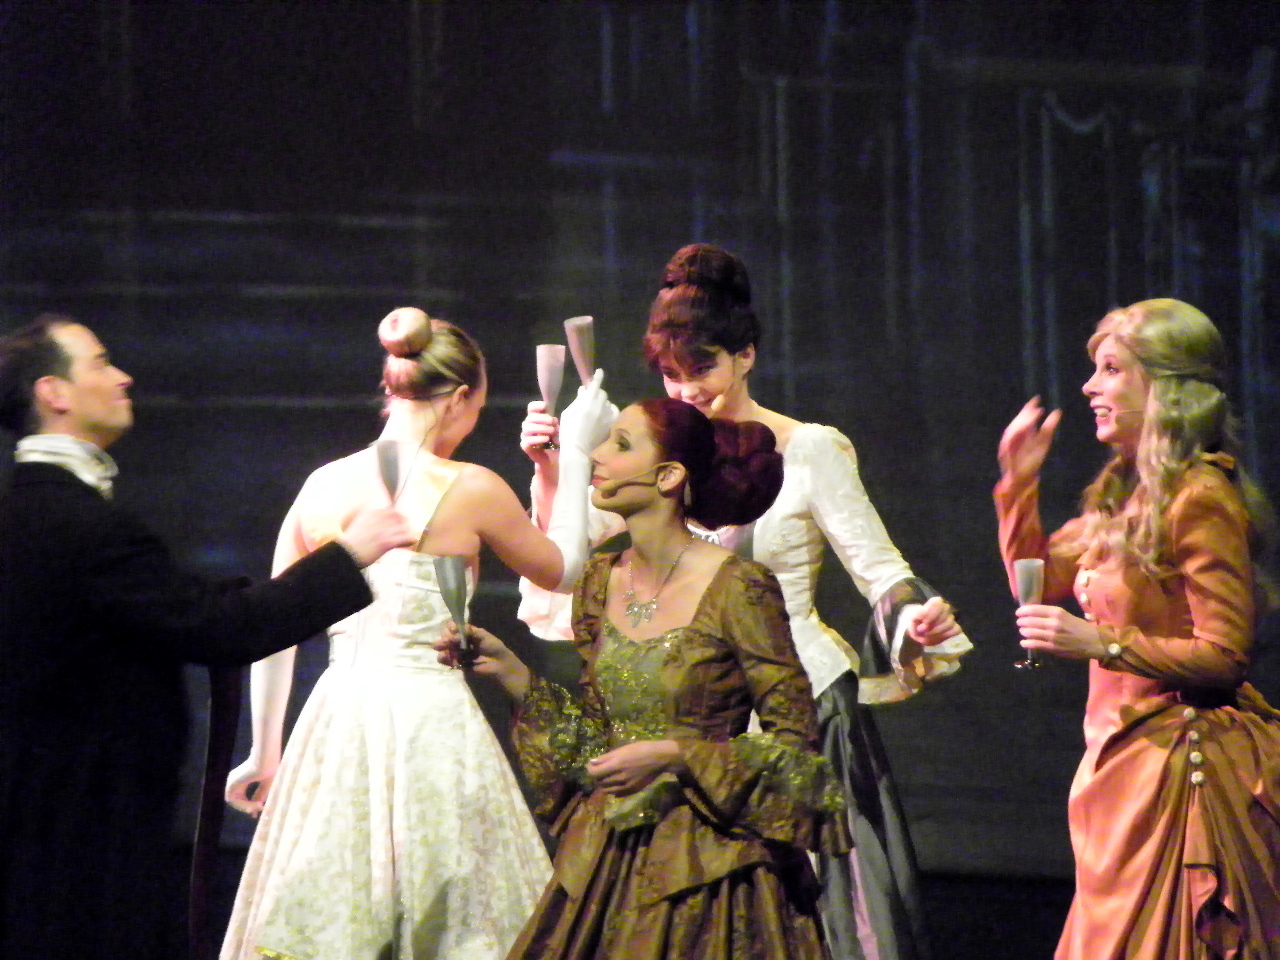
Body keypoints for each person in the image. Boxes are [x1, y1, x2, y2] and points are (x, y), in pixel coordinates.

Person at [518, 244, 969, 960]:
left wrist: (911, 618)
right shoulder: (661, 454)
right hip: (690, 712)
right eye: (671, 375)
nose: (686, 390)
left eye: (702, 369)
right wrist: (553, 470)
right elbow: (568, 563)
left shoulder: (809, 448)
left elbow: (879, 567)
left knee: (803, 911)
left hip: (792, 707)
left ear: (746, 355)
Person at [0, 314, 413, 960]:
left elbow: (183, 608)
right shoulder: (81, 525)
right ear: (54, 393)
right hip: (80, 822)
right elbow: (220, 628)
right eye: (101, 363)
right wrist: (351, 554)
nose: (123, 377)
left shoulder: (36, 514)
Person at [219, 307, 613, 960]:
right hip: (430, 721)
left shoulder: (322, 485)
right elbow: (565, 568)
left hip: (337, 719)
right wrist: (573, 457)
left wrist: (265, 750)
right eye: (477, 407)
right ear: (459, 397)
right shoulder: (470, 486)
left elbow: (275, 624)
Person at [438, 396, 849, 960]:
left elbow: (796, 748)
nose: (598, 455)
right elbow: (594, 745)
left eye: (621, 444)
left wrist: (680, 755)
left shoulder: (739, 586)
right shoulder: (599, 581)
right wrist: (509, 669)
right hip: (612, 851)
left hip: (709, 864)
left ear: (668, 476)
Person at [997, 298, 1280, 959]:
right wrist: (1019, 483)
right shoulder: (1126, 496)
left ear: (1164, 388)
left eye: (1111, 369)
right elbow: (1035, 578)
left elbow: (1225, 655)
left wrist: (1102, 643)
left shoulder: (1199, 495)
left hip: (1178, 768)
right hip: (1118, 767)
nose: (1089, 387)